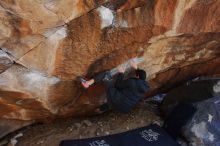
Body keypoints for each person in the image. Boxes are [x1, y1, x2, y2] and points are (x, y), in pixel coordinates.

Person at [81, 60, 150, 113]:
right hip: (125, 108)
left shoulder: (133, 82)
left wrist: (121, 73)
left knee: (106, 74)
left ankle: (87, 83)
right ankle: (99, 110)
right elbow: (141, 76)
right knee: (117, 101)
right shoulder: (145, 87)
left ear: (137, 76)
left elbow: (118, 85)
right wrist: (137, 69)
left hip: (118, 100)